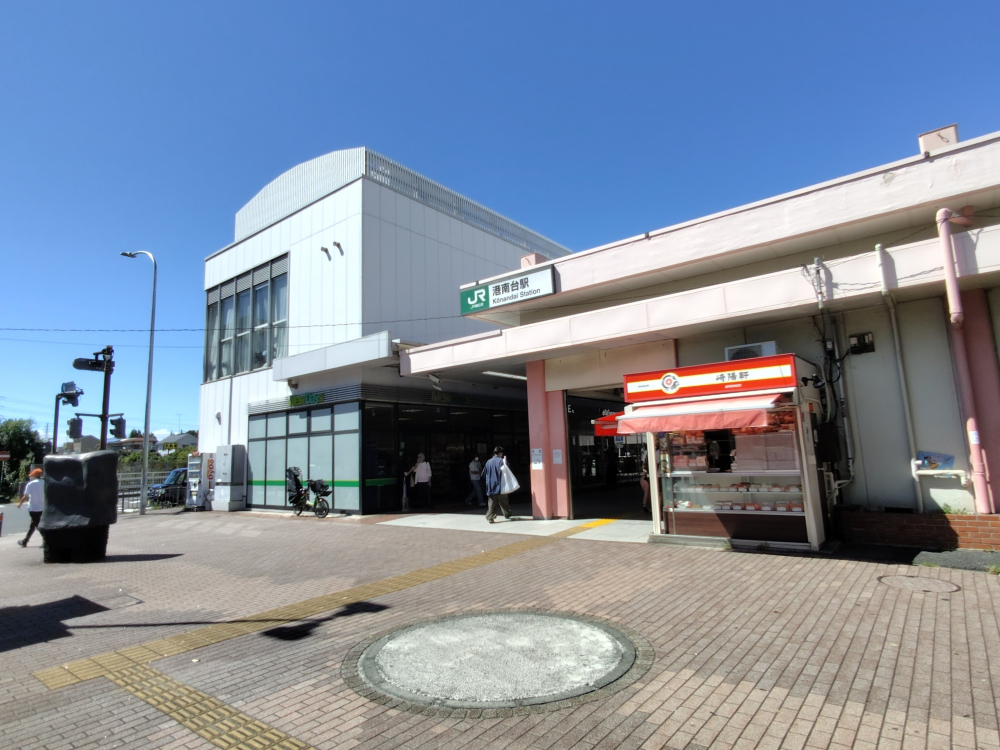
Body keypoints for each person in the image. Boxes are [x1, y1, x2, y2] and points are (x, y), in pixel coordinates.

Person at [482, 446, 512, 524]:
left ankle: (490, 517)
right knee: (504, 502)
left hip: (490, 486)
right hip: (500, 485)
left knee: (492, 503)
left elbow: (484, 473)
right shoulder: (502, 461)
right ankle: (507, 514)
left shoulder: (488, 462)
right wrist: (505, 461)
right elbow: (507, 471)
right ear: (501, 453)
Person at [17, 468, 44, 548]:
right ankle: (25, 541)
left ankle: (46, 541)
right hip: (42, 507)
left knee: (37, 524)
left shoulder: (30, 484)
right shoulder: (44, 483)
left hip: (33, 507)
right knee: (33, 525)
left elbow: (25, 496)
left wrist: (20, 504)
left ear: (34, 475)